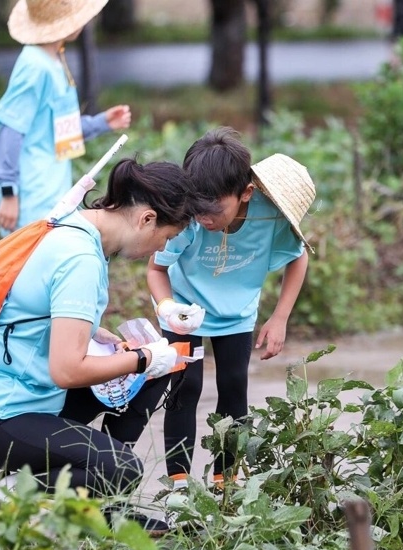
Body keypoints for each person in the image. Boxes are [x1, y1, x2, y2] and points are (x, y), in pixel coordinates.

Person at [0, 158, 215, 535]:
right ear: (146, 219)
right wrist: (140, 358)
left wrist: (99, 335)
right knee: (123, 467)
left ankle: (103, 502)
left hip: (32, 395)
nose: (162, 247)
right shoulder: (80, 259)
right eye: (168, 236)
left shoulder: (77, 226)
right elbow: (67, 370)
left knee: (158, 372)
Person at [134, 127, 314, 493]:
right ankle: (180, 487)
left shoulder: (270, 217)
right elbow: (156, 269)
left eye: (214, 209)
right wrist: (168, 309)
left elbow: (299, 258)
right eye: (198, 210)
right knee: (187, 386)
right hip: (184, 313)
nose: (205, 219)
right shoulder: (189, 219)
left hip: (237, 315)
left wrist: (279, 318)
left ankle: (225, 483)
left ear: (245, 193)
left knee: (234, 388)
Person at [0, 0, 131, 236]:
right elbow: (10, 129)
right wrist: (8, 193)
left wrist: (101, 122)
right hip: (31, 194)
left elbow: (54, 127)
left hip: (50, 188)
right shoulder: (35, 67)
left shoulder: (54, 58)